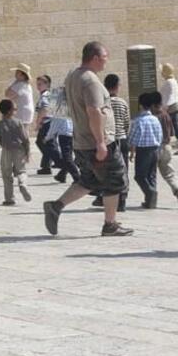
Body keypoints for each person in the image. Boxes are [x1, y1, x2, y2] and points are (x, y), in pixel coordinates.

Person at [43, 42, 132, 237]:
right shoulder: (90, 80)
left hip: (81, 141)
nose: (106, 63)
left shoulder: (73, 76)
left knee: (88, 181)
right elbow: (94, 111)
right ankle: (110, 224)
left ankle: (56, 206)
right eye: (104, 58)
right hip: (97, 142)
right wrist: (101, 143)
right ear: (95, 58)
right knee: (115, 181)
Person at [93, 74, 130, 211]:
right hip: (122, 138)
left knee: (106, 171)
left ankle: (103, 197)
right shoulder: (122, 102)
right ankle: (122, 200)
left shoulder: (102, 102)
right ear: (117, 86)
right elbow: (127, 122)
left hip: (108, 140)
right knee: (123, 171)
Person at [150, 90, 178, 209]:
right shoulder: (166, 115)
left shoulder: (151, 116)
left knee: (151, 174)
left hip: (154, 147)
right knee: (169, 172)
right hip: (167, 147)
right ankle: (177, 188)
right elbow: (171, 132)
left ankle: (151, 199)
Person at [0, 99, 32, 206]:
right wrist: (28, 152)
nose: (16, 110)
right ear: (10, 111)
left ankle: (9, 199)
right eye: (15, 108)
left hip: (6, 150)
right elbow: (25, 138)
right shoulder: (18, 122)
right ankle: (23, 184)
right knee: (21, 171)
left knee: (6, 175)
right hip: (19, 150)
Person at [128, 92, 163, 209]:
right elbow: (160, 136)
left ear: (140, 105)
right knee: (151, 176)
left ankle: (150, 193)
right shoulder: (155, 119)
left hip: (143, 151)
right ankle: (150, 202)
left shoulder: (138, 121)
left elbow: (133, 138)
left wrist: (131, 151)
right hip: (155, 149)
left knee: (140, 176)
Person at [45, 88, 79, 185]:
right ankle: (61, 175)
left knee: (67, 158)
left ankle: (78, 178)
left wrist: (48, 136)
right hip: (73, 133)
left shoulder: (60, 109)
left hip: (65, 135)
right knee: (68, 157)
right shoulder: (72, 106)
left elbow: (54, 125)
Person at [159, 63, 178, 154]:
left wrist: (165, 108)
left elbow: (169, 96)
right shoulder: (173, 81)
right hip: (174, 106)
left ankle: (167, 145)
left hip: (169, 107)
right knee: (174, 126)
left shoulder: (169, 82)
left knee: (167, 126)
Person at [34, 74, 59, 175]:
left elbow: (44, 109)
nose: (38, 86)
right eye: (37, 84)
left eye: (40, 84)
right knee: (48, 144)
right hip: (52, 122)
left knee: (42, 143)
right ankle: (46, 166)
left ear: (47, 84)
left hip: (47, 123)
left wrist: (38, 122)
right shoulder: (50, 94)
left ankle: (59, 160)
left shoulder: (45, 95)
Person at [5, 64, 35, 131]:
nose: (15, 74)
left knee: (20, 132)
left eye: (17, 72)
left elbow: (7, 94)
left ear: (22, 75)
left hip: (22, 112)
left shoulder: (20, 84)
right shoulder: (26, 84)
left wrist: (13, 83)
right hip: (26, 112)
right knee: (24, 131)